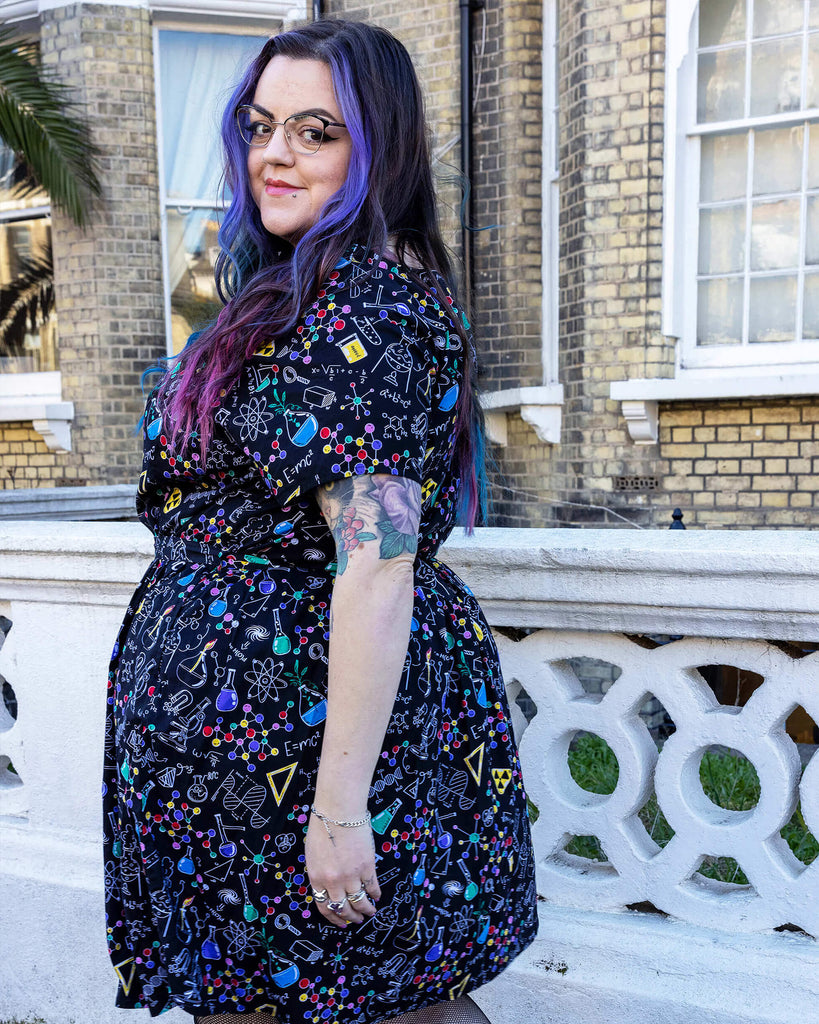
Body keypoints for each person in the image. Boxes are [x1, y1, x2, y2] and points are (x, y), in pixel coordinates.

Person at [103, 19, 538, 1023]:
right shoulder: (282, 298)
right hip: (236, 757)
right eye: (261, 126)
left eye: (315, 131)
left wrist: (339, 810)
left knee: (396, 1000)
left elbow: (377, 565)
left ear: (378, 148)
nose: (275, 154)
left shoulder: (372, 311)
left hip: (313, 753)